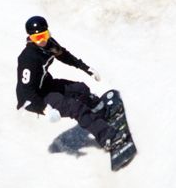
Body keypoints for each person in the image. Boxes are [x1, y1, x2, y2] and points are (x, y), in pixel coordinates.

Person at [16, 16, 116, 149]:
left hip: (46, 85)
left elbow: (64, 55)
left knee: (81, 89)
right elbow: (27, 91)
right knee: (76, 108)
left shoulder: (49, 45)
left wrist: (85, 68)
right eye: (37, 38)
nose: (42, 41)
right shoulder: (28, 58)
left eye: (44, 35)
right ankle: (107, 136)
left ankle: (101, 113)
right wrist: (45, 108)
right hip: (35, 98)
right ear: (30, 38)